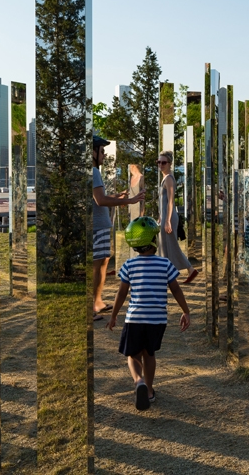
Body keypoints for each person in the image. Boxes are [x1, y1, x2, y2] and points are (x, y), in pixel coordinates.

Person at [106, 217, 190, 410]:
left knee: (133, 355)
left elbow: (122, 292)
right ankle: (150, 390)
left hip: (134, 318)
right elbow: (176, 290)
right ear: (154, 240)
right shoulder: (165, 264)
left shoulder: (129, 265)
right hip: (157, 320)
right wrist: (186, 311)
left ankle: (139, 382)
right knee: (149, 354)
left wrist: (113, 315)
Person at [93, 135, 145, 319]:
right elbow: (100, 200)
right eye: (101, 151)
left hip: (101, 225)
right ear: (93, 152)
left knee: (104, 261)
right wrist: (129, 200)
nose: (104, 154)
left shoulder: (94, 172)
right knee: (96, 264)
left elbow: (101, 197)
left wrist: (119, 196)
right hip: (97, 227)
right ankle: (90, 307)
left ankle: (97, 302)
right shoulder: (93, 172)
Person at [156, 151, 199, 285]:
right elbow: (162, 203)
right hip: (164, 217)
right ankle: (169, 274)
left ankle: (190, 270)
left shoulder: (169, 178)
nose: (161, 165)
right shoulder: (165, 178)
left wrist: (167, 220)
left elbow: (170, 201)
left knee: (172, 245)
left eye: (164, 162)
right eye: (159, 162)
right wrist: (160, 217)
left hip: (169, 217)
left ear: (169, 164)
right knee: (165, 246)